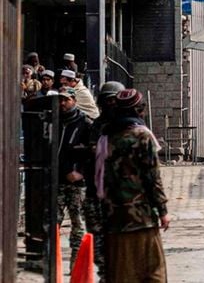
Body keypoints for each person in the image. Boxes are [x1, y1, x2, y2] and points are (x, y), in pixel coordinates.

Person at [96, 89, 169, 282]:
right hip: (142, 217)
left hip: (114, 217)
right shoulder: (143, 136)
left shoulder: (106, 136)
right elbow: (153, 177)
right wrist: (162, 210)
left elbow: (98, 177)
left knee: (121, 273)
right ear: (138, 110)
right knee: (153, 272)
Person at [84, 80, 125, 279]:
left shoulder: (129, 126)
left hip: (120, 194)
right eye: (107, 100)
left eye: (114, 100)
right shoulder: (97, 126)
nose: (111, 104)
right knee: (97, 240)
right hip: (96, 191)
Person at [56, 88, 94, 263]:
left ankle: (76, 264)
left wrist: (81, 172)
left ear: (74, 100)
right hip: (57, 181)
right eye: (61, 100)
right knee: (53, 223)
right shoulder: (54, 121)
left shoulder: (85, 123)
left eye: (66, 100)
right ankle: (52, 262)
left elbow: (93, 154)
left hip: (76, 183)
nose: (63, 103)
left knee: (77, 223)